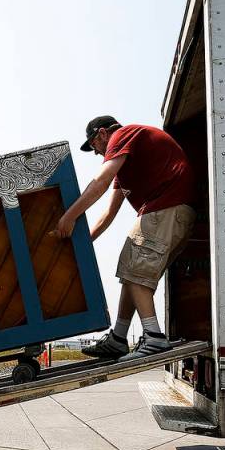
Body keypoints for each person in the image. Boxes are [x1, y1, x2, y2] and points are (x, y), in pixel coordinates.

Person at [55, 115, 194, 361]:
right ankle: (119, 338)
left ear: (101, 134)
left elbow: (99, 182)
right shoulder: (127, 166)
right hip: (174, 214)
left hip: (165, 209)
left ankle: (153, 337)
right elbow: (109, 214)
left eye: (94, 146)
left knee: (133, 268)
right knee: (132, 274)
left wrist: (69, 217)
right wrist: (83, 244)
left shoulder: (122, 135)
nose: (97, 153)